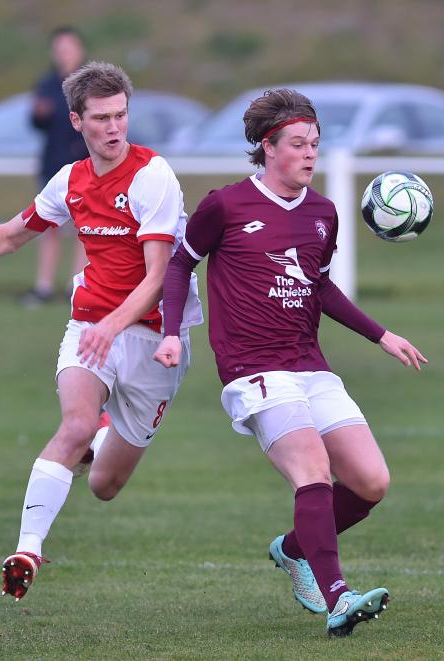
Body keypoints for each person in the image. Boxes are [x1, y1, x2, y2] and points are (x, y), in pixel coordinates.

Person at [154, 88, 427, 637]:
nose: (309, 154)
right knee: (313, 472)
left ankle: (293, 549)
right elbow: (180, 264)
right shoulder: (225, 206)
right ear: (266, 146)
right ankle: (338, 598)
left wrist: (381, 335)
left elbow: (318, 287)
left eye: (316, 145)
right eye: (299, 144)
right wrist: (171, 333)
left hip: (309, 364)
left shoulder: (324, 214)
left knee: (372, 482)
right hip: (252, 369)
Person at [0, 61, 202, 601]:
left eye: (121, 115)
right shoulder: (70, 179)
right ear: (76, 121)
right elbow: (18, 233)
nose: (114, 128)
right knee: (74, 424)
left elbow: (159, 277)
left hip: (156, 340)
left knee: (105, 486)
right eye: (102, 118)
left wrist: (115, 325)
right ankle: (28, 550)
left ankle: (106, 438)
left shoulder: (152, 176)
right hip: (90, 327)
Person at [20, 26, 89, 305]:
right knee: (46, 224)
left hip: (83, 165)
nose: (64, 54)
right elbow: (37, 123)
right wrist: (39, 114)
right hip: (52, 166)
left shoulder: (90, 84)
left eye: (68, 48)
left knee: (84, 227)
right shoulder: (47, 84)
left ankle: (78, 284)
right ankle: (44, 286)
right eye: (60, 49)